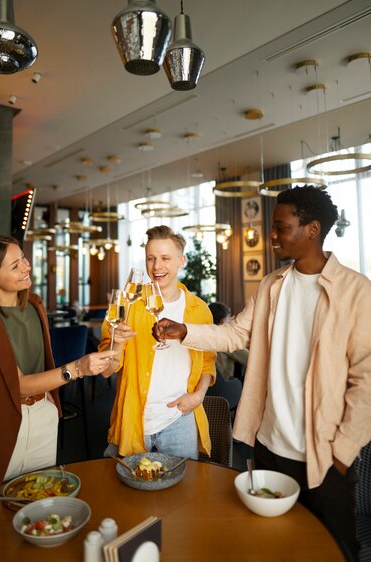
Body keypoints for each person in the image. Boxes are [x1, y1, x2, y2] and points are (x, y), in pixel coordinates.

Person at [153, 186, 371, 562]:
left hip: (324, 453)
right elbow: (236, 332)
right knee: (273, 544)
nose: (271, 235)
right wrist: (185, 330)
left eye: (280, 227)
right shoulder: (272, 284)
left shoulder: (356, 291)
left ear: (312, 229)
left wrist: (343, 450)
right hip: (270, 445)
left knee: (336, 547)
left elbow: (366, 380)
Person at [0, 235, 116, 499]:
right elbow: (11, 386)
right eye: (15, 266)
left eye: (24, 258)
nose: (27, 267)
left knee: (41, 499)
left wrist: (50, 407)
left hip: (43, 415)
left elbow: (42, 364)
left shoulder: (34, 304)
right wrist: (77, 369)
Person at [99, 225, 216, 459]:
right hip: (134, 416)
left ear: (181, 261)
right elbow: (106, 371)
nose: (156, 266)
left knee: (183, 490)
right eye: (151, 258)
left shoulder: (200, 310)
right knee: (127, 491)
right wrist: (118, 343)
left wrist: (199, 395)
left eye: (165, 258)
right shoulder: (126, 304)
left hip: (180, 419)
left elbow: (207, 364)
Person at [208, 302, 248, 381]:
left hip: (208, 383)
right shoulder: (226, 338)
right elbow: (249, 358)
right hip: (225, 385)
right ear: (223, 321)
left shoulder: (204, 333)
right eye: (229, 318)